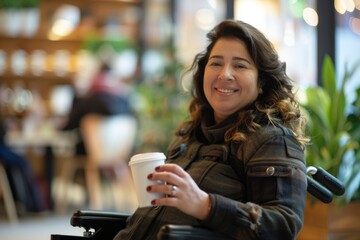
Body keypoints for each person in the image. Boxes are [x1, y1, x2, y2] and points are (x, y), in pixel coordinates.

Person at [115, 19, 309, 240]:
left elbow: (284, 225)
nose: (224, 74)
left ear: (262, 82)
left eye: (240, 65)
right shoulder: (189, 133)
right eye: (216, 63)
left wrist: (205, 205)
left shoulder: (271, 140)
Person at [62, 62, 135, 156]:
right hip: (119, 154)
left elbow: (70, 125)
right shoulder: (124, 101)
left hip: (90, 153)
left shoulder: (87, 100)